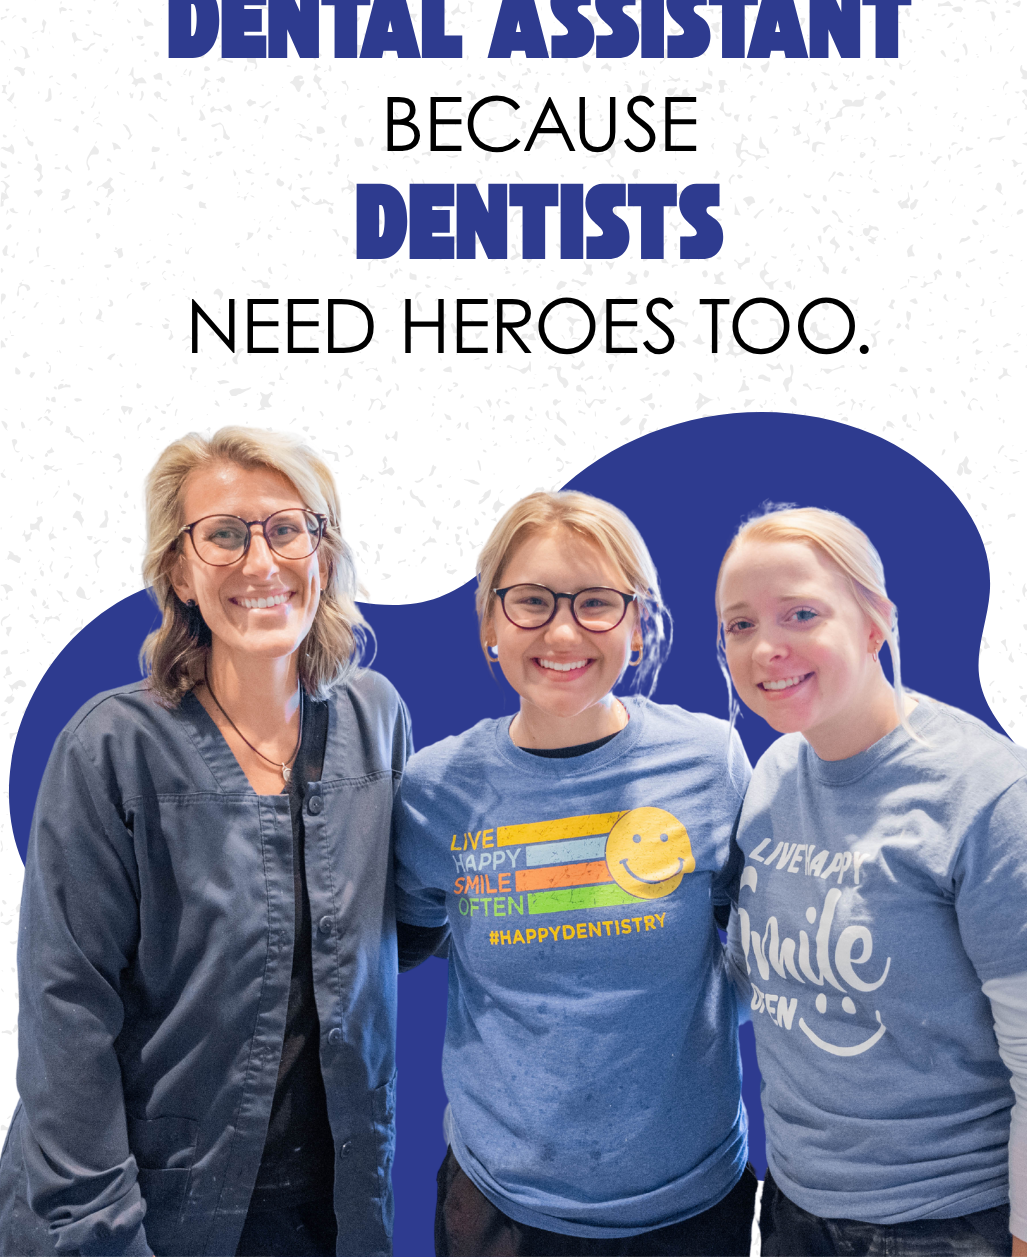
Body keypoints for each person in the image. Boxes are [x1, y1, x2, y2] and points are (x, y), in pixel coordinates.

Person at [0, 427, 439, 1257]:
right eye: (225, 535)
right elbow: (66, 1014)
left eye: (287, 529)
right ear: (179, 569)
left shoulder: (376, 720)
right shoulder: (111, 747)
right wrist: (100, 1233)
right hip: (151, 1209)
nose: (261, 562)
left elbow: (394, 931)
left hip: (330, 1200)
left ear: (324, 551)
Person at [395, 490, 757, 1257]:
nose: (562, 631)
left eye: (596, 603)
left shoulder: (710, 761)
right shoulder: (433, 793)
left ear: (638, 621)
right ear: (491, 621)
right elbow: (402, 942)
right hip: (503, 1210)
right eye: (531, 602)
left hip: (692, 1206)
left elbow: (757, 950)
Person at [715, 505, 1027, 1257]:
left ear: (876, 622)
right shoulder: (776, 776)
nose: (766, 648)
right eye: (740, 625)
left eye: (802, 614)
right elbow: (764, 988)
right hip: (791, 1208)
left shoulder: (990, 799)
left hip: (948, 1227)